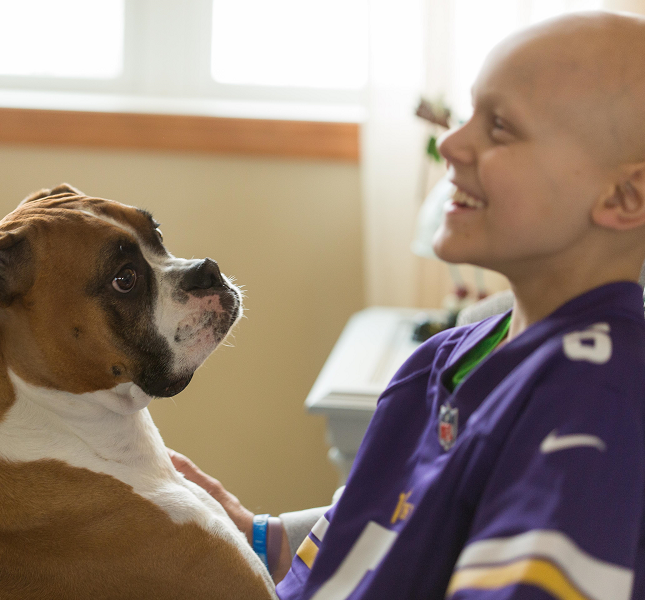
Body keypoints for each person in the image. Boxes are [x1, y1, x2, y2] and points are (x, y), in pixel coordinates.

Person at [171, 10, 645, 600]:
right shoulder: (441, 357)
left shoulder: (602, 393)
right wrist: (255, 538)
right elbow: (382, 534)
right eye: (469, 113)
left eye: (499, 126)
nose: (450, 141)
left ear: (624, 197)